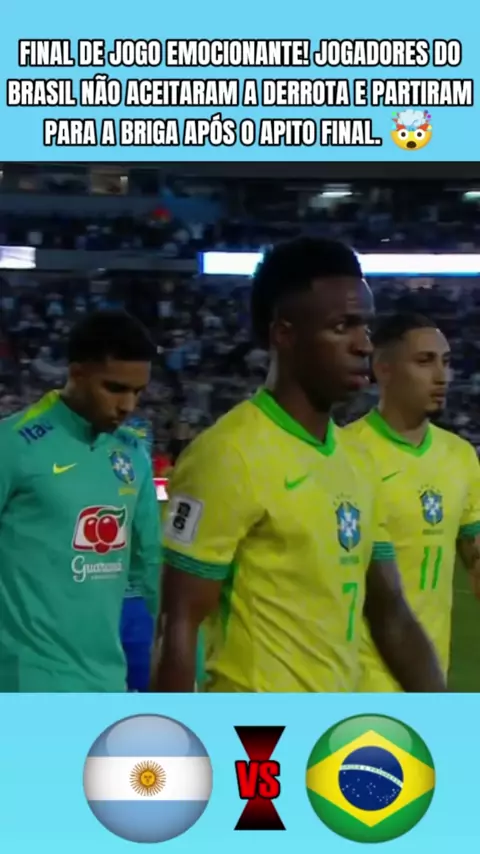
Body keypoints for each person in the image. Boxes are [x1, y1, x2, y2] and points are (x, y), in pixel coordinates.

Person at [153, 237, 445, 693]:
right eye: (342, 326)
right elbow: (178, 624)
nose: (364, 345)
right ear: (284, 334)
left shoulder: (356, 458)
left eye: (365, 327)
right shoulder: (228, 455)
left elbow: (391, 613)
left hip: (335, 726)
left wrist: (447, 717)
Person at [0, 309, 161, 692]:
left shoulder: (133, 454)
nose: (128, 406)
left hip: (107, 683)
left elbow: (152, 566)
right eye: (115, 388)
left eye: (137, 392)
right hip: (24, 685)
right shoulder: (13, 444)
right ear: (77, 373)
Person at [345, 312, 480, 691]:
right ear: (383, 370)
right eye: (424, 361)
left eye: (446, 361)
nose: (442, 376)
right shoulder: (346, 454)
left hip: (429, 677)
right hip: (358, 682)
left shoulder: (460, 456)